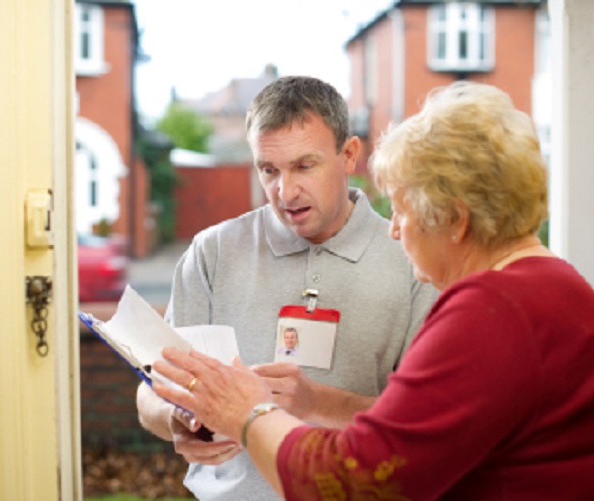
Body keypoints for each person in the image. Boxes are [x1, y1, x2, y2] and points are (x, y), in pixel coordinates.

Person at [152, 81, 594, 500]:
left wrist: (247, 413)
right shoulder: (546, 284)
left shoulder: (493, 310)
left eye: (405, 210)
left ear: (454, 220)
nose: (394, 229)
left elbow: (356, 477)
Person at [136, 75, 438, 500]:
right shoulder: (212, 252)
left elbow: (429, 425)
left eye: (304, 166)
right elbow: (152, 390)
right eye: (269, 170)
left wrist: (317, 401)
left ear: (350, 154)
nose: (285, 191)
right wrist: (176, 419)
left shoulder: (414, 262)